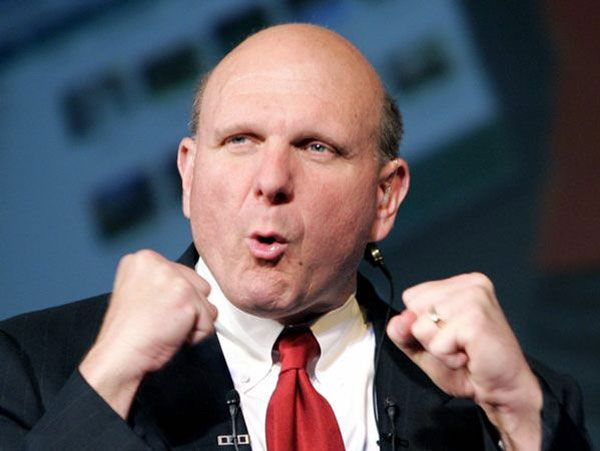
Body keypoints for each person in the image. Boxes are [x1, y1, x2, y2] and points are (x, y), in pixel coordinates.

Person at [0, 24, 591, 451]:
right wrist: (109, 378)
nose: (272, 180)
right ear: (189, 174)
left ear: (384, 197)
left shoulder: (509, 403)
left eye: (317, 147)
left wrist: (519, 415)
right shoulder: (30, 369)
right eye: (240, 140)